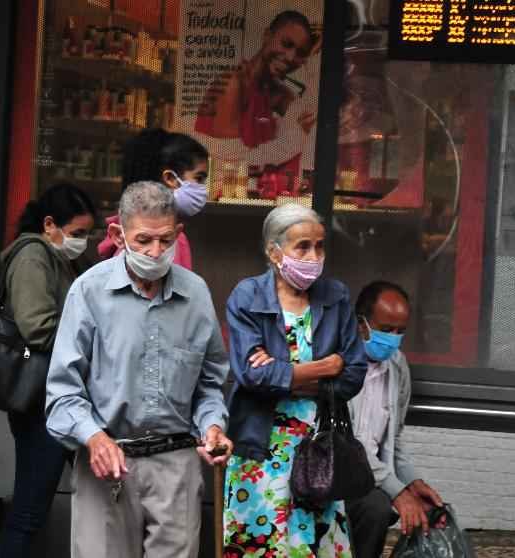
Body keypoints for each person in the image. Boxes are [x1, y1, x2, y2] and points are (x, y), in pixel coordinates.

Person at [46, 181, 232, 558]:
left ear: (178, 234)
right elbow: (62, 393)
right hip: (108, 460)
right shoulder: (88, 291)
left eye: (165, 241)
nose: (155, 251)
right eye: (143, 240)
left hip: (177, 463)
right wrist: (94, 438)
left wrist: (213, 425)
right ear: (118, 235)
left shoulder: (195, 293)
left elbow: (210, 383)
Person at [224, 203, 366, 557]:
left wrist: (283, 374)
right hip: (259, 446)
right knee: (261, 547)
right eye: (302, 246)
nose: (313, 256)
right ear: (274, 252)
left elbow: (353, 374)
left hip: (319, 450)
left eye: (319, 246)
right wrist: (323, 367)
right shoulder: (248, 296)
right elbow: (251, 375)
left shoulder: (335, 296)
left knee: (312, 548)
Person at [0, 183, 97, 558]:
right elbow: (38, 327)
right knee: (30, 508)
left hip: (65, 396)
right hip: (42, 399)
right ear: (50, 224)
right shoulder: (33, 256)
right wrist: (91, 343)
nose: (82, 242)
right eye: (77, 233)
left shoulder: (62, 258)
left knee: (99, 497)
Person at [346, 281, 445, 558]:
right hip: (334, 475)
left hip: (372, 479)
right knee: (377, 505)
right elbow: (350, 446)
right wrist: (398, 492)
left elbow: (394, 439)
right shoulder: (338, 364)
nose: (393, 338)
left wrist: (413, 482)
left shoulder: (397, 367)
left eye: (400, 332)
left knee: (428, 509)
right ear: (361, 324)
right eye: (386, 329)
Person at [195, 11, 319, 149]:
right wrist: (293, 135)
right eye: (286, 44)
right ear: (267, 36)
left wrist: (312, 60)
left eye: (300, 53)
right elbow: (232, 152)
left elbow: (312, 121)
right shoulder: (234, 83)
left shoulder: (277, 92)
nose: (290, 57)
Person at [97, 128, 209, 270]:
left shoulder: (126, 230)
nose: (156, 250)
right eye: (198, 178)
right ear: (169, 178)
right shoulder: (171, 241)